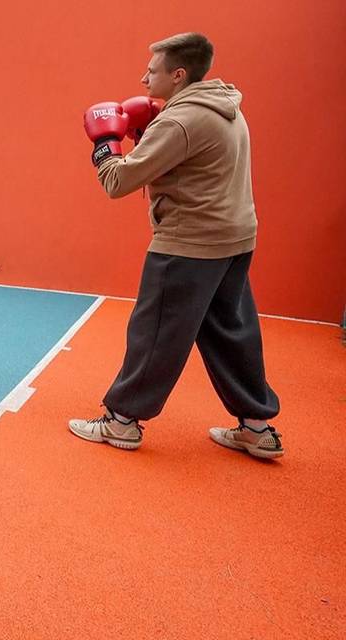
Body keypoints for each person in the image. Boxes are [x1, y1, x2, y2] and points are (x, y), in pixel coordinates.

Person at [74, 32, 283, 459]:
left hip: (190, 243)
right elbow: (191, 166)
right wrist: (147, 137)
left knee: (155, 334)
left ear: (179, 75)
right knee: (232, 332)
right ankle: (257, 428)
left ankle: (122, 422)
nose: (143, 77)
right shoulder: (224, 105)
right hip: (235, 238)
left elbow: (117, 182)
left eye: (152, 71)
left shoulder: (179, 121)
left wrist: (104, 143)